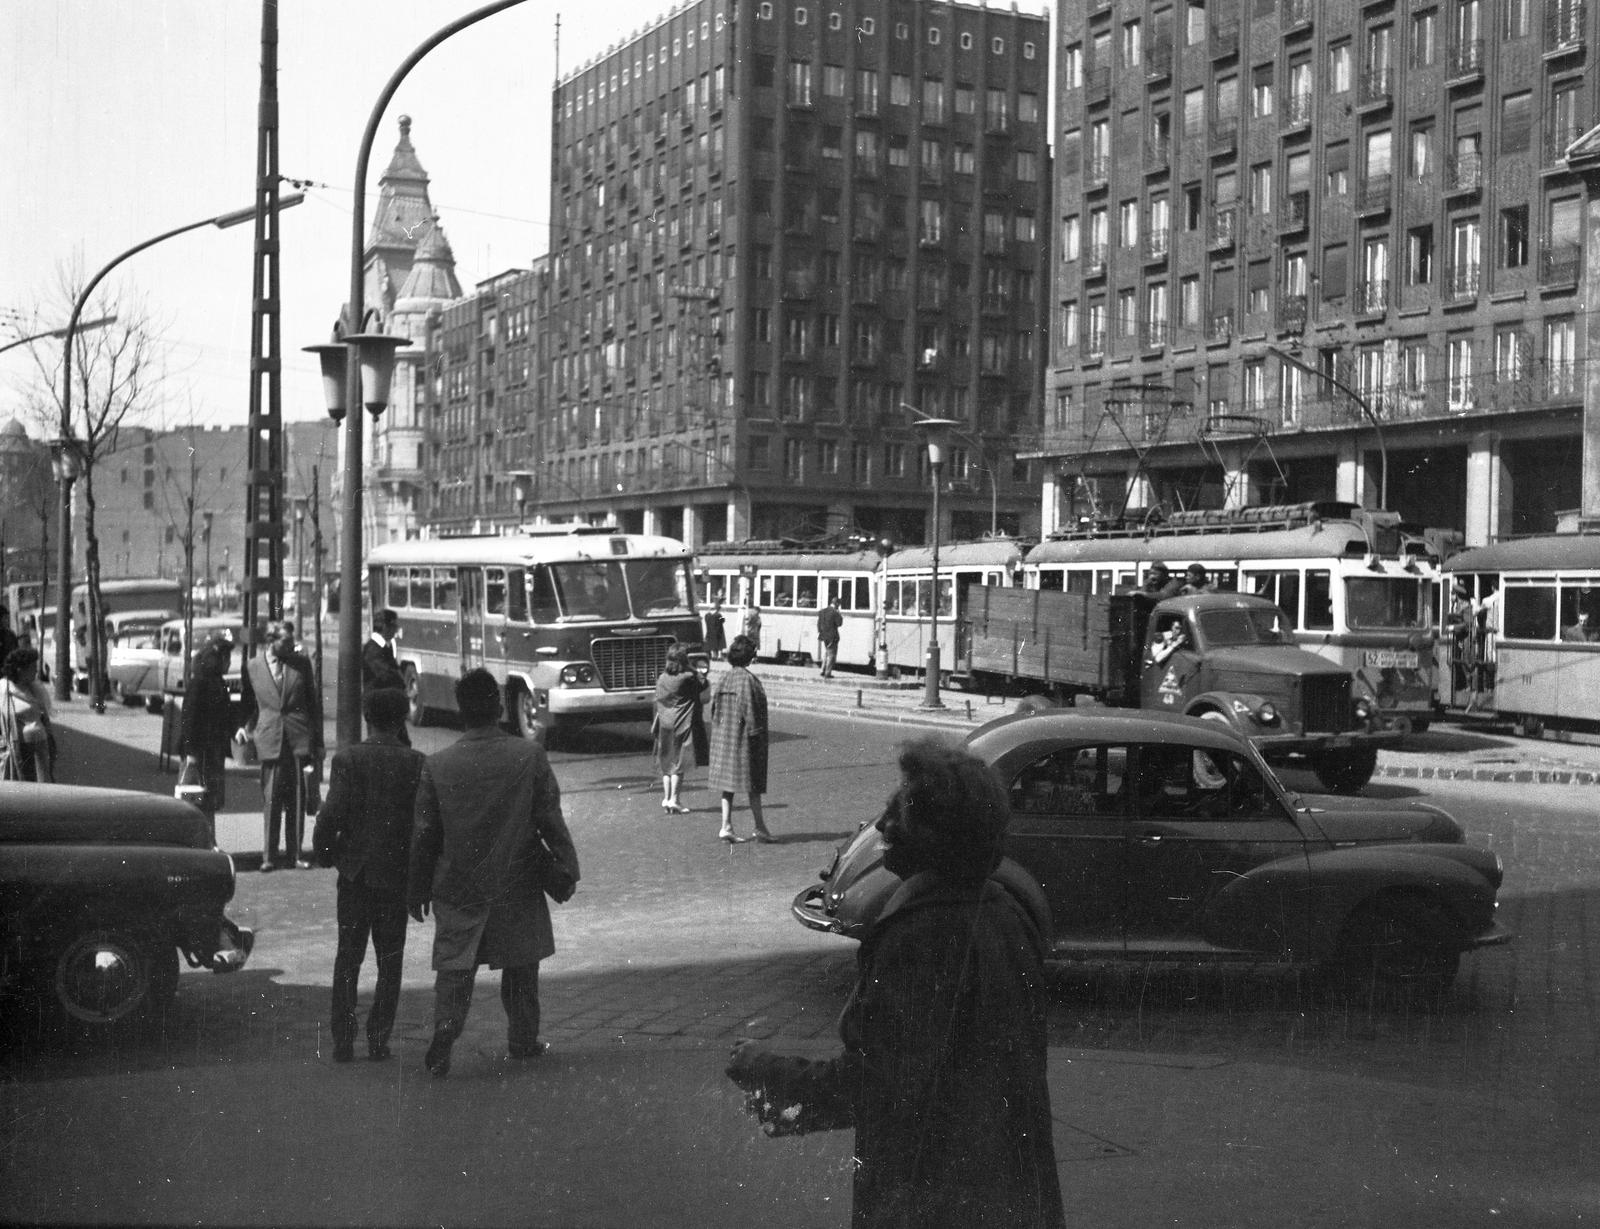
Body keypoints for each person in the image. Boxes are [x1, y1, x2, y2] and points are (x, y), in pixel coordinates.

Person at [726, 738, 1065, 1229]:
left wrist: (767, 1072)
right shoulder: (1006, 916)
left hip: (932, 1196)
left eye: (898, 813)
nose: (882, 826)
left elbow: (876, 1085)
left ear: (937, 836)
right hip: (1009, 1190)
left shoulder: (918, 934)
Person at [407, 668, 580, 1079]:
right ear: (499, 706)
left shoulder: (437, 765)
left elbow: (425, 835)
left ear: (461, 710)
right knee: (522, 965)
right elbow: (549, 817)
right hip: (515, 876)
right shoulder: (528, 755)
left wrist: (416, 889)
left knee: (454, 968)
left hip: (458, 882)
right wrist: (567, 865)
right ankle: (523, 1039)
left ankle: (445, 1034)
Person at [313, 688, 425, 1064]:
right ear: (400, 719)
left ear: (367, 717)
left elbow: (331, 816)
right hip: (396, 877)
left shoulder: (348, 759)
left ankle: (343, 1040)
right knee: (390, 962)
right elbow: (422, 828)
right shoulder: (417, 763)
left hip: (356, 875)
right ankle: (379, 1038)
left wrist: (328, 855)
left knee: (348, 958)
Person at [238, 621, 324, 871]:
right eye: (285, 642)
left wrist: (317, 743)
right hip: (270, 737)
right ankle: (269, 856)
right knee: (271, 800)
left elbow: (313, 704)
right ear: (270, 641)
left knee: (298, 799)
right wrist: (245, 726)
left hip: (298, 739)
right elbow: (248, 702)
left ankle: (295, 853)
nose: (290, 646)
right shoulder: (253, 666)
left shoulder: (300, 664)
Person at [708, 633, 773, 844]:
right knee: (753, 785)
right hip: (744, 740)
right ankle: (760, 827)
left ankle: (726, 825)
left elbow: (714, 709)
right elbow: (750, 710)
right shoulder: (747, 680)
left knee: (728, 785)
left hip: (724, 739)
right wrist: (757, 734)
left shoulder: (724, 678)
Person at [178, 628, 236, 833]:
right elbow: (189, 720)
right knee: (198, 799)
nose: (229, 662)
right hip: (200, 754)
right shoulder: (200, 683)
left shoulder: (217, 682)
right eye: (225, 658)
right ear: (215, 659)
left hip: (213, 753)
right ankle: (202, 841)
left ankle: (209, 840)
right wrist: (191, 755)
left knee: (208, 799)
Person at [652, 643, 709, 814]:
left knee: (666, 761)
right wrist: (691, 666)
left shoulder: (661, 678)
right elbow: (704, 684)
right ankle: (675, 799)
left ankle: (666, 798)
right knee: (679, 763)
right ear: (683, 660)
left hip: (664, 723)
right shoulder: (688, 677)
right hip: (682, 722)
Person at [1, 647, 54, 782]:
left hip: (40, 744)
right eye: (33, 667)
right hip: (19, 747)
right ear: (20, 669)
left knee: (43, 784)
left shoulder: (35, 688)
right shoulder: (4, 689)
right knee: (23, 784)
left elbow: (44, 716)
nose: (36, 670)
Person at [361, 608, 410, 745]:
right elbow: (386, 674)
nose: (396, 630)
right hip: (378, 708)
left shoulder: (385, 647)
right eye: (393, 626)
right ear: (384, 626)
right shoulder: (373, 649)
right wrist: (401, 684)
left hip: (388, 706)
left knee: (401, 743)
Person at [817, 598, 843, 678]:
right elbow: (839, 623)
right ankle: (827, 673)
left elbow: (818, 624)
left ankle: (822, 670)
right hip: (832, 637)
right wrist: (839, 615)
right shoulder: (835, 612)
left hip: (824, 636)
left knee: (827, 653)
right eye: (839, 605)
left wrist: (821, 633)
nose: (839, 606)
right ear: (837, 604)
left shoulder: (822, 611)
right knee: (831, 655)